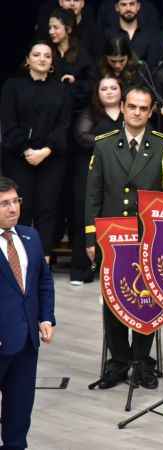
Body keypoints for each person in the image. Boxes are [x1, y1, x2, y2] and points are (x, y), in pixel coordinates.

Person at [85, 85, 163, 389]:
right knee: (113, 300)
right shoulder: (103, 144)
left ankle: (142, 361)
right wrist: (91, 236)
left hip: (148, 236)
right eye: (133, 107)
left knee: (147, 298)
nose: (138, 112)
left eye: (144, 108)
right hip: (111, 236)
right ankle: (119, 361)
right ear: (123, 107)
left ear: (151, 111)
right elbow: (93, 193)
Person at [1, 41, 72, 259]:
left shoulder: (61, 89)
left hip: (51, 158)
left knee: (47, 210)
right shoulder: (12, 86)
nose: (42, 59)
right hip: (18, 157)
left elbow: (64, 124)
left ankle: (44, 260)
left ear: (52, 62)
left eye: (47, 56)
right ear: (28, 59)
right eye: (37, 54)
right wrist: (26, 150)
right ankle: (18, 259)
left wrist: (45, 150)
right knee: (20, 209)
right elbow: (8, 122)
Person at [0, 176, 56, 450]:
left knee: (19, 414)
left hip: (26, 344)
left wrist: (46, 317)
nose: (13, 209)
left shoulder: (30, 236)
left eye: (15, 201)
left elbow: (43, 280)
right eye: (4, 204)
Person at [71, 76, 124, 285]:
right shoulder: (90, 113)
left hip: (120, 173)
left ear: (122, 91)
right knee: (85, 216)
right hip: (90, 171)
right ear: (97, 92)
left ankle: (114, 266)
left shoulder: (129, 112)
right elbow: (82, 137)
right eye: (104, 88)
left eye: (114, 88)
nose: (109, 91)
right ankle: (81, 268)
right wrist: (113, 141)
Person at [48, 7, 96, 112]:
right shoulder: (46, 52)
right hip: (51, 106)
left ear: (68, 29)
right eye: (50, 27)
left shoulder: (81, 53)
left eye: (55, 27)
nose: (51, 31)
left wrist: (75, 82)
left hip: (76, 108)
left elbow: (91, 83)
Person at [103, 0, 162, 68]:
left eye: (132, 4)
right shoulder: (108, 35)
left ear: (138, 6)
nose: (128, 8)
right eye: (123, 5)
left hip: (144, 77)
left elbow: (153, 65)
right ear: (117, 7)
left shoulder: (151, 34)